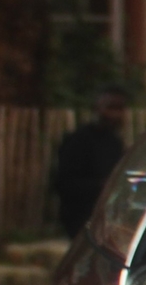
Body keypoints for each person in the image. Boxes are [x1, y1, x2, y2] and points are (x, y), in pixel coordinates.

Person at [52, 85, 131, 236]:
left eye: (119, 109)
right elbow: (64, 183)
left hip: (107, 218)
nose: (114, 114)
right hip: (80, 216)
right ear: (97, 108)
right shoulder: (78, 141)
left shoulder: (115, 143)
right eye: (110, 108)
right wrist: (100, 186)